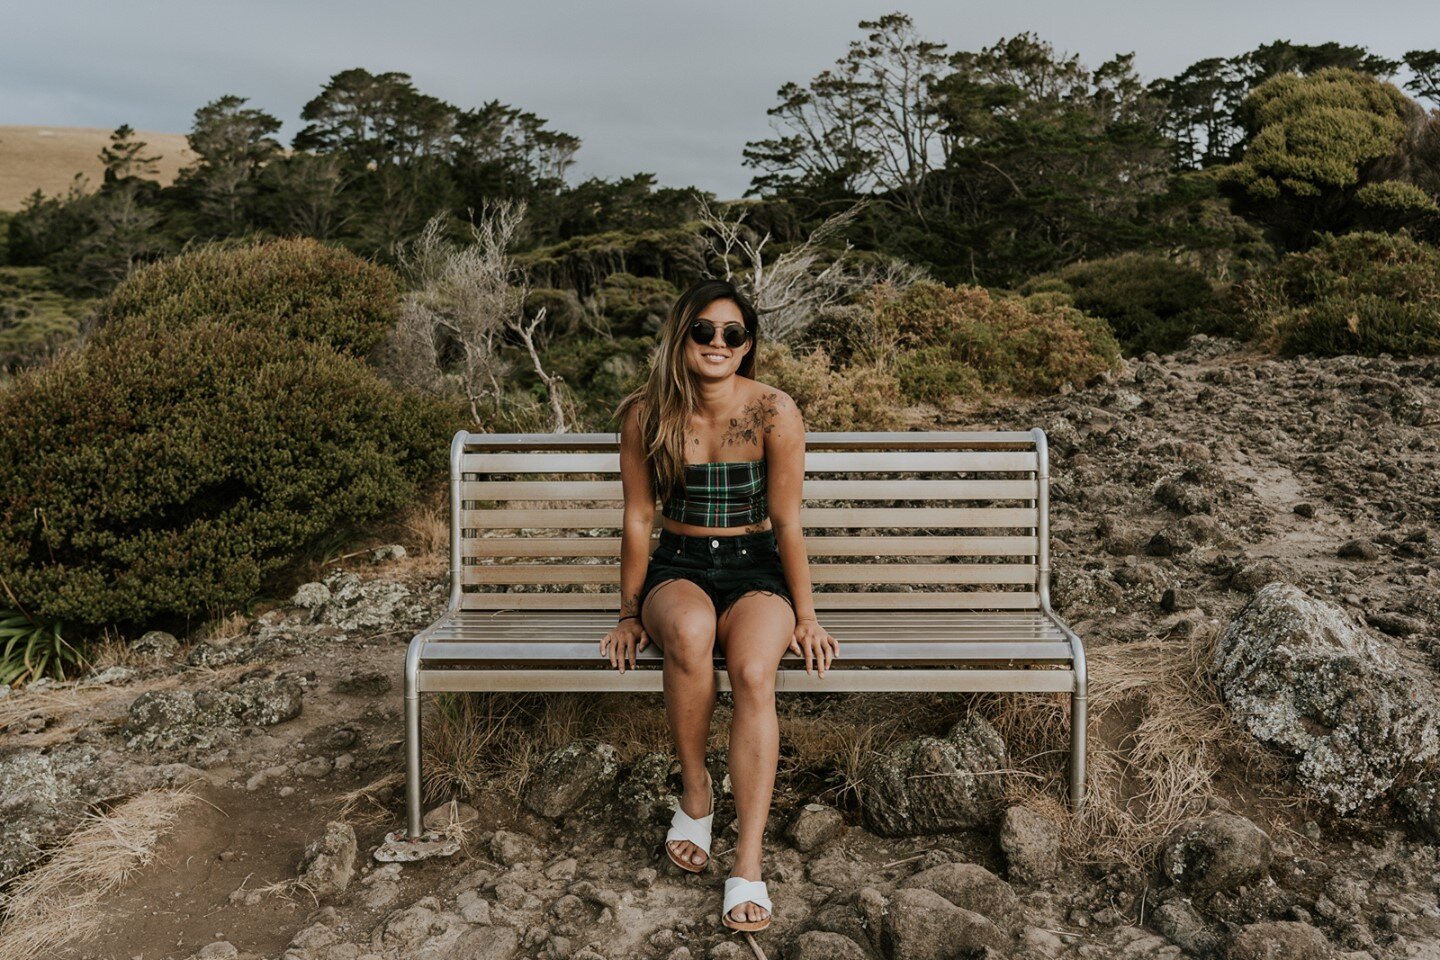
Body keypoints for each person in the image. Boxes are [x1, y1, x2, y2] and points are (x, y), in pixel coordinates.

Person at [601, 278, 839, 933]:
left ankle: (749, 863)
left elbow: (787, 523)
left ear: (747, 345)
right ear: (682, 338)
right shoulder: (645, 415)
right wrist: (627, 613)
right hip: (678, 566)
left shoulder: (772, 412)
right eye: (704, 330)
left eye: (732, 333)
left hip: (754, 566)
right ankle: (697, 792)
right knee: (688, 630)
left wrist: (808, 615)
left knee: (756, 671)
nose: (717, 342)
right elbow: (638, 519)